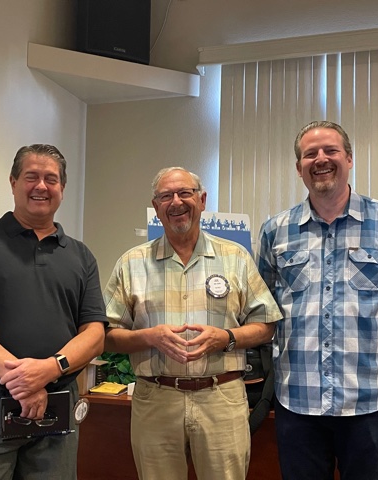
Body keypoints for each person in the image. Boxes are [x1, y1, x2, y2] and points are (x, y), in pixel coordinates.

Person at [256, 121, 378, 480]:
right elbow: (265, 309)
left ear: (349, 159)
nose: (320, 159)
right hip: (298, 399)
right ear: (298, 167)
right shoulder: (275, 231)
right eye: (310, 154)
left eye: (331, 150)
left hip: (371, 399)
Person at [0, 144, 107, 480]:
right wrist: (25, 382)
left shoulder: (82, 257)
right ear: (13, 182)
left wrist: (48, 370)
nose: (41, 186)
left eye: (51, 179)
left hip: (57, 405)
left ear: (62, 188)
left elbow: (95, 335)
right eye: (31, 177)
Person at [103, 167, 282, 480]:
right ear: (156, 206)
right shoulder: (131, 263)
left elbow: (266, 324)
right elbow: (106, 335)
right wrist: (149, 337)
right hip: (156, 399)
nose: (176, 202)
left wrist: (226, 338)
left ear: (202, 200)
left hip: (221, 398)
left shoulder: (236, 257)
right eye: (166, 196)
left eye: (185, 193)